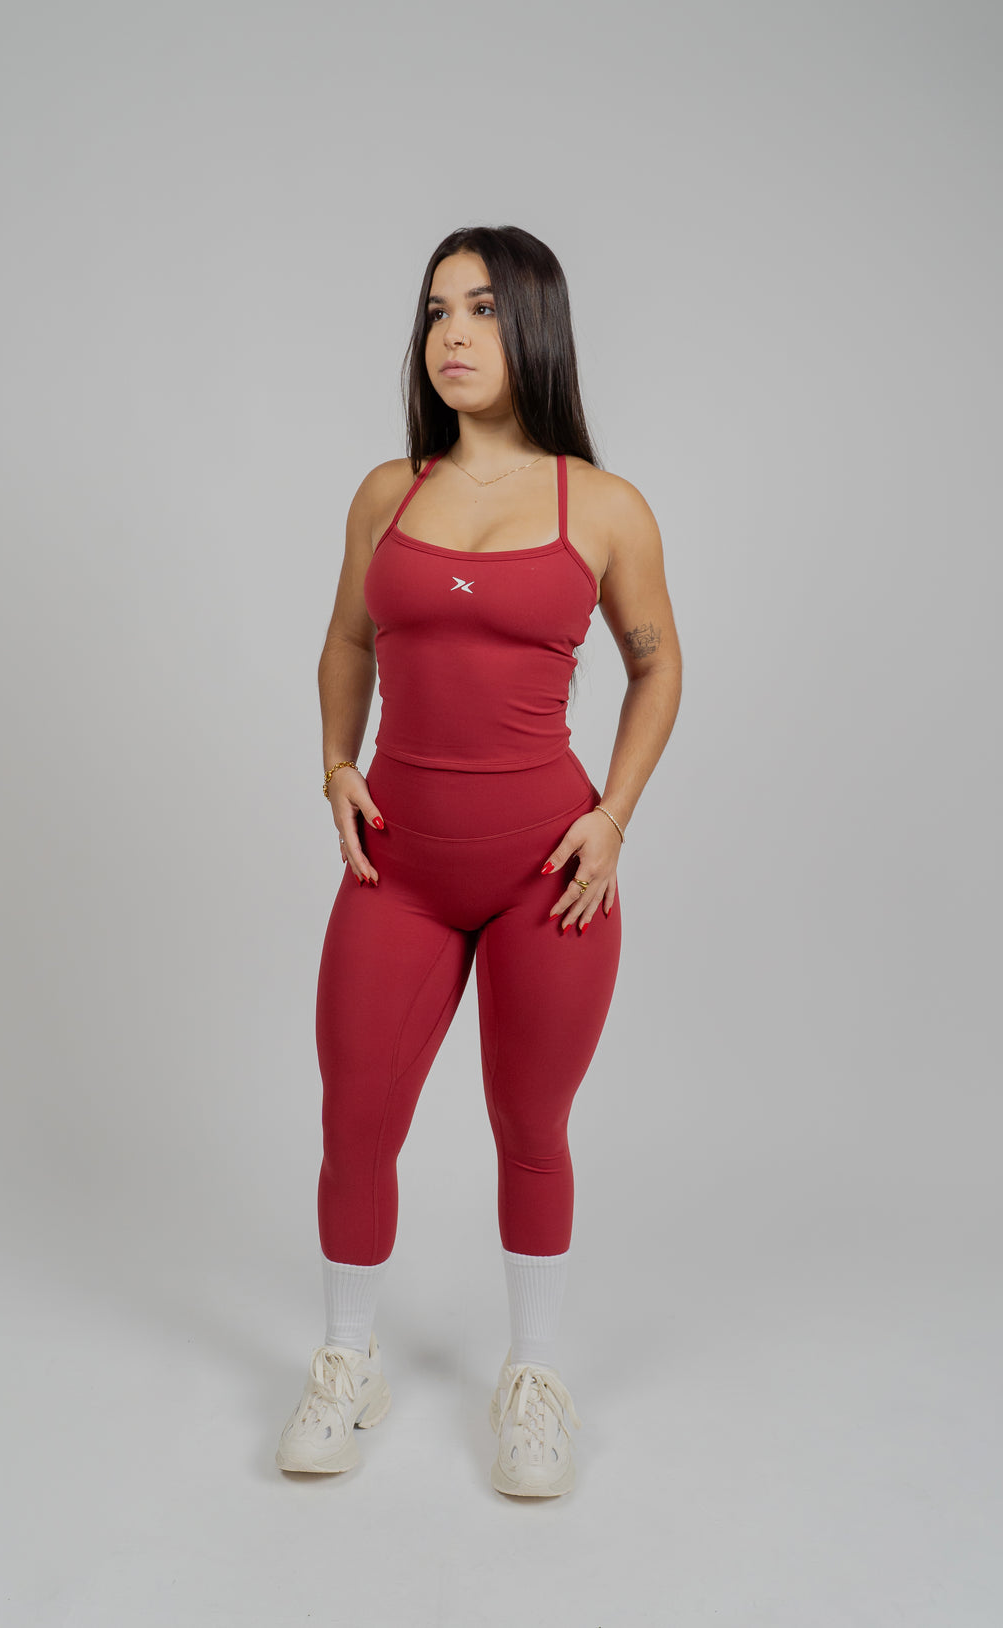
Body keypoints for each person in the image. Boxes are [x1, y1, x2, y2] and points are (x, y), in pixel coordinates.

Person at [276, 225, 682, 1498]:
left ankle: (535, 1378)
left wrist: (614, 816)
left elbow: (659, 663)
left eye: (484, 309)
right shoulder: (386, 494)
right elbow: (347, 639)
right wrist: (335, 761)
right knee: (354, 1115)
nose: (451, 333)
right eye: (437, 309)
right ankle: (348, 1362)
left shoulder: (601, 505)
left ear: (535, 328)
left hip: (545, 876)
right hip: (396, 867)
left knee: (531, 1124)